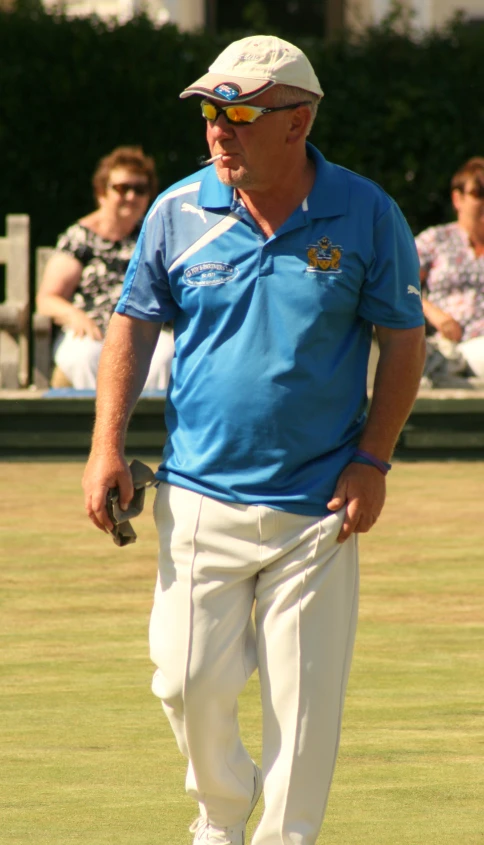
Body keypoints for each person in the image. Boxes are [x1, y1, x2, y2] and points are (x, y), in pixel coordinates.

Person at [82, 35, 426, 845]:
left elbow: (402, 339)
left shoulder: (368, 212)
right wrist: (106, 446)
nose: (218, 129)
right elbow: (132, 326)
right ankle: (221, 813)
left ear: (298, 121)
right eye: (210, 111)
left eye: (238, 111)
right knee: (184, 681)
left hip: (318, 507)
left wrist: (373, 458)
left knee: (302, 711)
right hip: (200, 495)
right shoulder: (176, 210)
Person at [36, 145, 174, 390]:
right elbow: (48, 298)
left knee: (165, 355)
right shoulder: (80, 237)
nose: (131, 196)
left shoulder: (154, 234)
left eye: (140, 189)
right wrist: (73, 315)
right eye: (122, 188)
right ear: (102, 192)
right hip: (92, 331)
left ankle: (148, 426)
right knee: (83, 357)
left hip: (144, 328)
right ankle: (99, 424)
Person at [416, 156, 484, 380]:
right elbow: (398, 286)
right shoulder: (436, 240)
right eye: (479, 194)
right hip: (443, 348)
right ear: (458, 199)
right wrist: (435, 314)